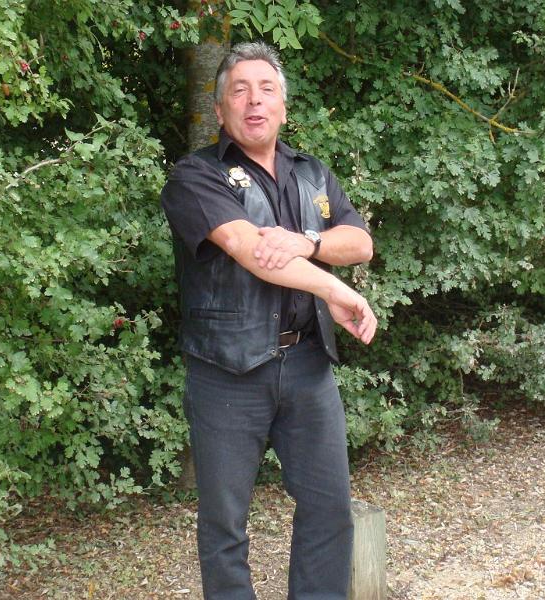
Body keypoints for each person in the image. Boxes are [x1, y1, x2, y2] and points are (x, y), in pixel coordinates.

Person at [161, 41, 377, 600]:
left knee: (330, 509)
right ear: (220, 110)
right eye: (239, 90)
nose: (254, 100)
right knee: (225, 525)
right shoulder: (195, 176)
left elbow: (359, 242)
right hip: (226, 371)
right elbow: (251, 250)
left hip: (308, 366)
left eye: (266, 89)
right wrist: (334, 288)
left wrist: (309, 242)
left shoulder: (312, 173)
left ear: (283, 104)